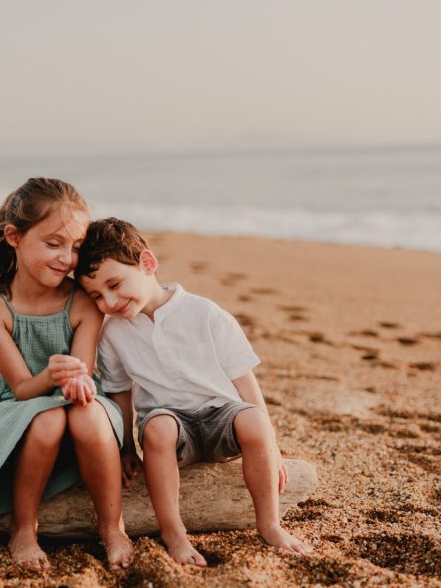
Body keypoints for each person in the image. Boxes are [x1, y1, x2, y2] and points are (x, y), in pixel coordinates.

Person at [75, 217, 314, 566]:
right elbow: (120, 393)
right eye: (97, 295)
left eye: (114, 283)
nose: (109, 301)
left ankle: (270, 525)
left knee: (254, 419)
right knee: (158, 427)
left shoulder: (205, 313)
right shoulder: (113, 333)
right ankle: (174, 534)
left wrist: (272, 445)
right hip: (171, 426)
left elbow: (244, 380)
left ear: (147, 263)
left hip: (221, 417)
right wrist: (127, 446)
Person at [0, 178, 132, 571]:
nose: (67, 258)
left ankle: (112, 527)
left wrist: (73, 379)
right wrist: (51, 375)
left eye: (75, 246)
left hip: (79, 404)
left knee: (83, 412)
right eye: (53, 244)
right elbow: (21, 388)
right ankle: (23, 527)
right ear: (14, 237)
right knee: (46, 416)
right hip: (17, 409)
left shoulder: (84, 301)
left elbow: (82, 375)